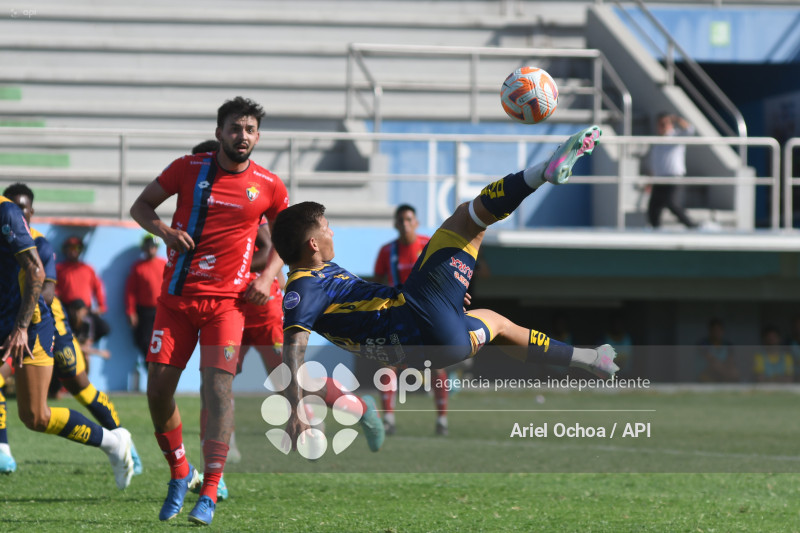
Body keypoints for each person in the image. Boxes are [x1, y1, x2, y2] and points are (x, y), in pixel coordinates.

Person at [272, 126, 619, 445]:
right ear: (312, 244)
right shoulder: (303, 288)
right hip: (417, 314)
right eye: (326, 227)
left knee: (498, 323)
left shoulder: (318, 275)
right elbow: (293, 351)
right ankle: (544, 171)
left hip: (436, 348)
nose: (331, 232)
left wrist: (448, 299)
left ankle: (590, 358)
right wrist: (294, 409)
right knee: (468, 218)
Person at [130, 97, 290, 526]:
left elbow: (286, 240)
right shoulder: (187, 168)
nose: (243, 136)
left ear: (258, 136)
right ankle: (181, 473)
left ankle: (212, 490)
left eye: (251, 129)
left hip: (228, 305)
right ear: (220, 132)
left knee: (218, 390)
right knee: (158, 390)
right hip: (177, 299)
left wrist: (266, 276)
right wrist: (164, 231)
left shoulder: (269, 186)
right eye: (236, 128)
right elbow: (141, 206)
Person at [1, 182, 143, 474]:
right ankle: (3, 448)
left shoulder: (36, 240)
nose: (20, 213)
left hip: (40, 327)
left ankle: (116, 440)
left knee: (42, 414)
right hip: (9, 322)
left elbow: (45, 288)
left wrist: (21, 326)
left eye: (24, 208)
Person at [373, 204, 451, 436]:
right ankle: (388, 420)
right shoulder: (387, 251)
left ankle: (442, 422)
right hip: (399, 317)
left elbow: (444, 276)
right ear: (396, 225)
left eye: (409, 219)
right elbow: (378, 283)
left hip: (428, 316)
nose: (405, 224)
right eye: (401, 220)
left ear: (416, 222)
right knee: (389, 363)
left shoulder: (429, 245)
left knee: (438, 366)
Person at [645, 113, 698, 229]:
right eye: (660, 124)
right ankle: (655, 230)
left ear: (670, 124)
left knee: (671, 203)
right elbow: (654, 163)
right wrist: (650, 181)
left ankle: (692, 226)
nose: (663, 126)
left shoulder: (677, 136)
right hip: (659, 179)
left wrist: (677, 119)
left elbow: (690, 129)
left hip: (673, 177)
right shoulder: (656, 142)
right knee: (653, 207)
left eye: (665, 123)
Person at [125, 233, 167, 377]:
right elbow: (131, 291)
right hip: (144, 311)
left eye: (153, 247)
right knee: (143, 341)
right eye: (148, 247)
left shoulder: (164, 264)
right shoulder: (138, 267)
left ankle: (160, 373)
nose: (150, 250)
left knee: (162, 343)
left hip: (162, 310)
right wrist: (131, 312)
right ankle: (150, 370)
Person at [696, 318, 739, 382]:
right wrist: (726, 373)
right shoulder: (703, 344)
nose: (717, 333)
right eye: (715, 330)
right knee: (715, 366)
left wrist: (730, 371)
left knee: (734, 371)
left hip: (723, 372)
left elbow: (730, 361)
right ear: (710, 331)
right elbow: (712, 361)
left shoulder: (727, 344)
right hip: (707, 373)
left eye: (719, 330)